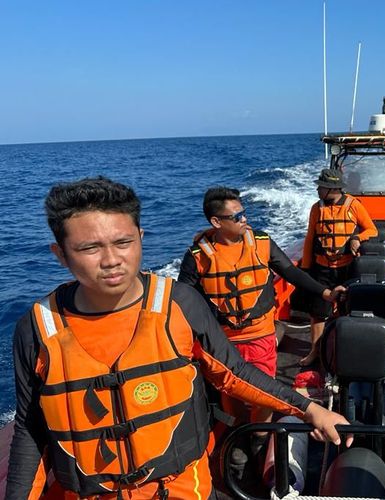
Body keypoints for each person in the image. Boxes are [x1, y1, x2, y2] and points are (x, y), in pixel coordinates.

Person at [7, 177, 351, 499]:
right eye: (89, 248)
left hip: (181, 489)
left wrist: (308, 409)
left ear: (141, 236)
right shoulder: (37, 329)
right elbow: (31, 428)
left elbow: (233, 372)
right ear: (61, 254)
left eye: (123, 242)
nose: (111, 260)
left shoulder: (179, 305)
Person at [177, 187, 344, 428]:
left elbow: (290, 272)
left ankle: (260, 437)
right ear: (216, 222)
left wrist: (326, 293)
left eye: (244, 213)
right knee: (230, 392)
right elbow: (184, 299)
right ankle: (238, 434)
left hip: (261, 335)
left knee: (264, 393)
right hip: (222, 341)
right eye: (236, 217)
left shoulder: (262, 243)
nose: (244, 219)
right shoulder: (196, 256)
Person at [297, 168, 377, 366]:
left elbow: (371, 229)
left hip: (346, 268)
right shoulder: (317, 208)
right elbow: (310, 238)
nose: (317, 189)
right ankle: (315, 350)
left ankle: (344, 347)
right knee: (317, 312)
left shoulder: (353, 206)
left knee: (346, 308)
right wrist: (306, 268)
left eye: (320, 186)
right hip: (322, 268)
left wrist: (357, 237)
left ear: (331, 189)